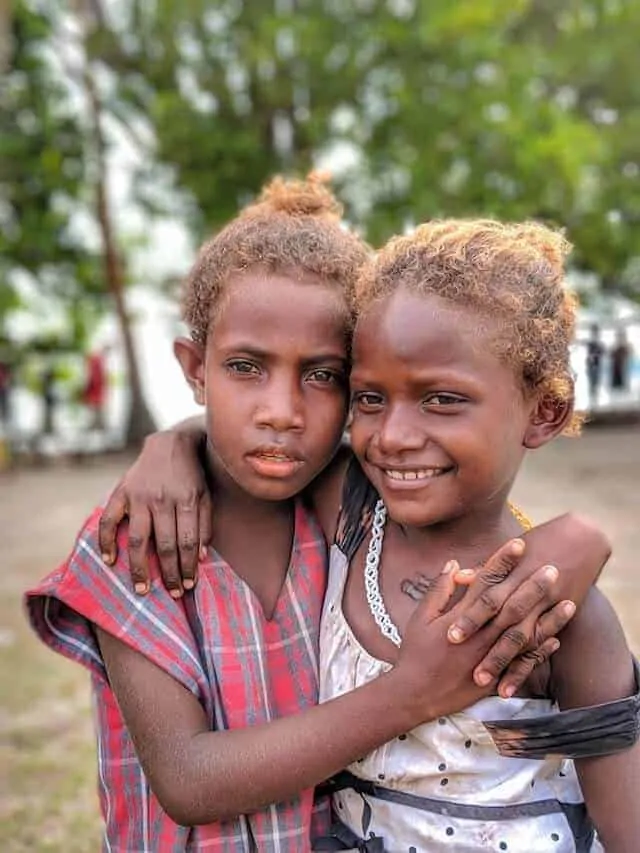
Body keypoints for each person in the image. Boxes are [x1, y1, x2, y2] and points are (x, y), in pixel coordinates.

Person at [27, 179, 608, 853]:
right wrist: (411, 691)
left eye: (324, 375)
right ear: (195, 367)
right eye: (246, 366)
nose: (281, 409)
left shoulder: (353, 512)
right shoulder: (141, 538)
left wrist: (579, 536)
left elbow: (480, 517)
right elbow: (186, 779)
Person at [585, 323, 604, 407]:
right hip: (592, 365)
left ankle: (594, 399)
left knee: (595, 382)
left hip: (596, 365)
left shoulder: (598, 343)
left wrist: (594, 356)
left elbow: (602, 353)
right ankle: (593, 399)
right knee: (592, 382)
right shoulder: (591, 343)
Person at [610, 328, 631, 393]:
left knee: (623, 380)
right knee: (617, 383)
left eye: (621, 336)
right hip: (616, 367)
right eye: (618, 336)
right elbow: (611, 355)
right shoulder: (614, 345)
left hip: (622, 365)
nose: (619, 338)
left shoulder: (626, 345)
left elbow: (628, 354)